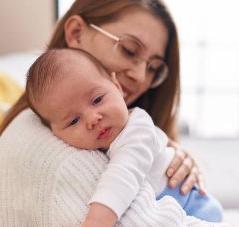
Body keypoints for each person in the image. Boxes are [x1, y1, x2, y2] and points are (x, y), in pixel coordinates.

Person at [0, 0, 221, 226]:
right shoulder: (48, 146)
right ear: (76, 33)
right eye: (128, 50)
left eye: (153, 68)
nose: (140, 77)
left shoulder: (118, 126)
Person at [25, 48, 223, 225]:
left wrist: (97, 221)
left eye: (97, 99)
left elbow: (124, 174)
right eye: (73, 121)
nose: (93, 118)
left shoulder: (137, 126)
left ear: (117, 87)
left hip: (192, 206)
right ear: (53, 134)